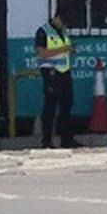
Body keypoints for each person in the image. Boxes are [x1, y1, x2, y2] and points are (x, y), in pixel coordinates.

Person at [34, 13, 74, 148]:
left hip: (64, 73)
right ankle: (46, 141)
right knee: (50, 108)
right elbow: (41, 53)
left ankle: (66, 140)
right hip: (51, 74)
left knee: (66, 106)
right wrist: (63, 49)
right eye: (62, 21)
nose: (63, 25)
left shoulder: (62, 32)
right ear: (55, 18)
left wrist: (69, 50)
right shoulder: (43, 32)